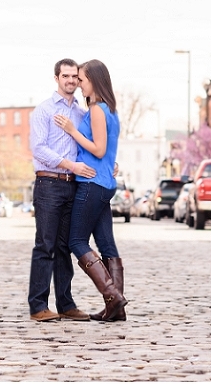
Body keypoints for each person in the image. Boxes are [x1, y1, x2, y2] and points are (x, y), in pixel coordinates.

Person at [54, 59, 127, 322]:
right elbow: (108, 151)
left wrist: (72, 130)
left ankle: (113, 297)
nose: (78, 84)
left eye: (81, 79)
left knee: (76, 241)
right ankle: (115, 308)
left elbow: (98, 149)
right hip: (105, 183)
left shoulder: (97, 109)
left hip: (92, 184)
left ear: (94, 80)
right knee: (107, 244)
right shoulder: (111, 110)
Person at [27, 58, 96, 322]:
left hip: (72, 186)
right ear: (56, 78)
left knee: (65, 246)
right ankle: (38, 306)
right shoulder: (43, 110)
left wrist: (108, 163)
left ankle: (65, 303)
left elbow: (89, 146)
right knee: (45, 245)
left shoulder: (81, 114)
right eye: (65, 76)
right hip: (49, 184)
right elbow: (39, 149)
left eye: (74, 77)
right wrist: (70, 165)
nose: (70, 81)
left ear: (79, 81)